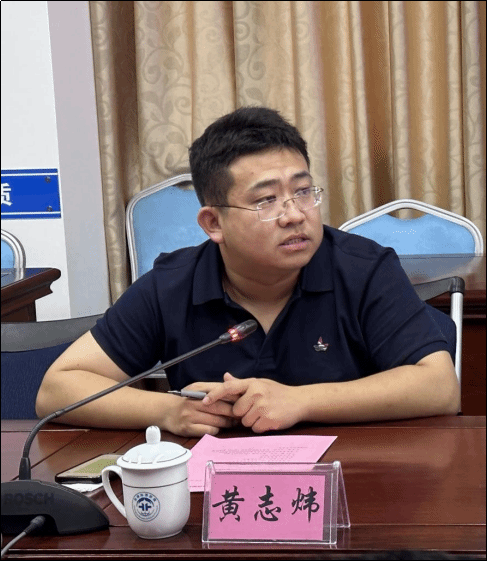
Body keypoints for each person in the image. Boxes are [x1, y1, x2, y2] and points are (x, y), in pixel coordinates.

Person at [36, 106, 460, 436]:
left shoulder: (363, 269)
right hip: (218, 493)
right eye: (266, 201)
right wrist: (168, 410)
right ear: (213, 223)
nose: (294, 215)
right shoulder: (173, 285)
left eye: (303, 191)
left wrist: (300, 401)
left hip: (351, 480)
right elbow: (57, 389)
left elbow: (439, 387)